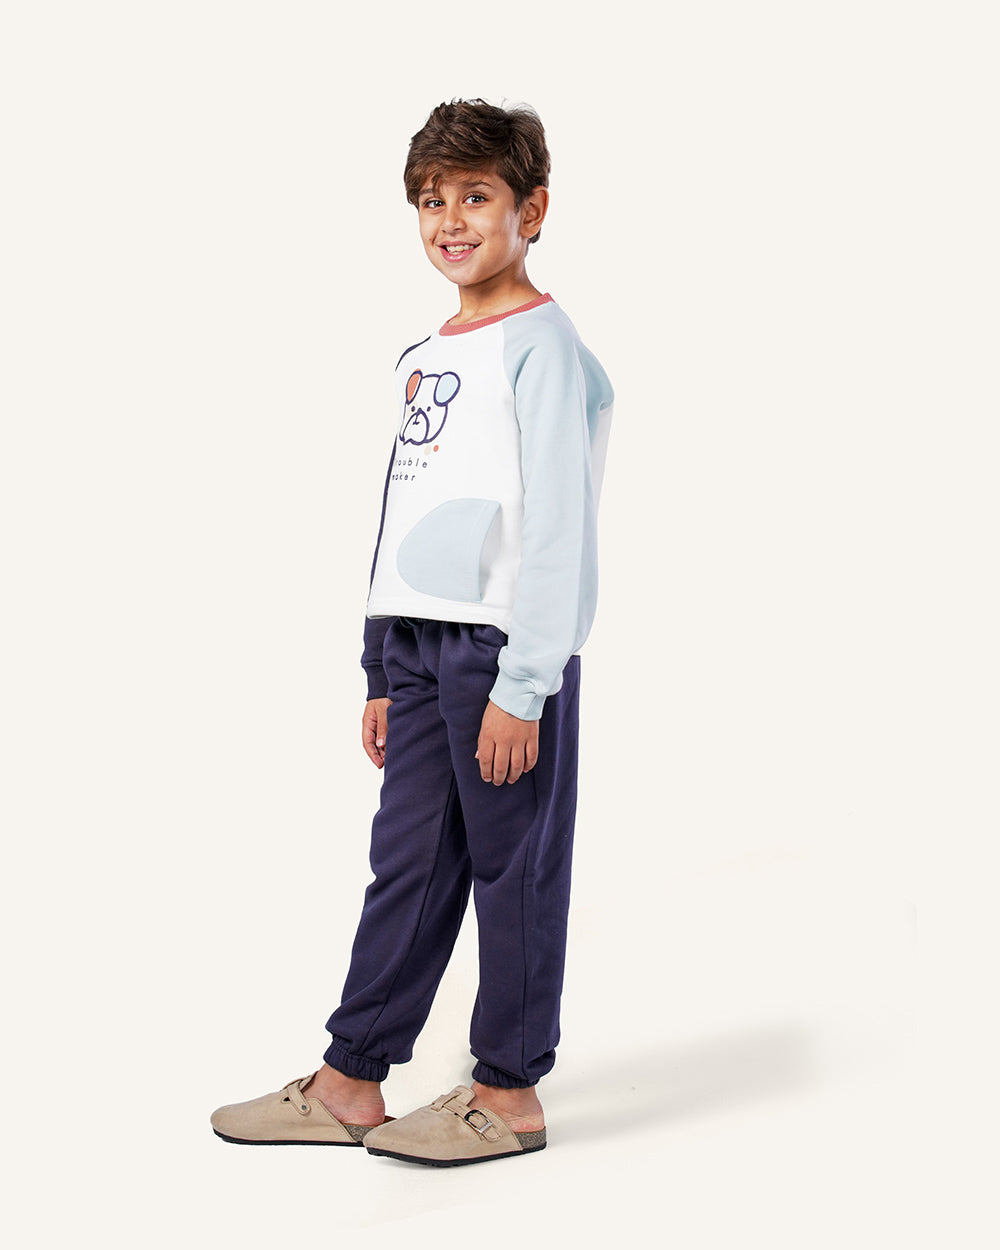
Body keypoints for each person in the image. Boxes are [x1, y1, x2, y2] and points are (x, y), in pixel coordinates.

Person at [211, 97, 614, 1167]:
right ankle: (352, 1079)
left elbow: (560, 525)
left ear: (531, 210)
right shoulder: (425, 352)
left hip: (498, 651)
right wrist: (379, 666)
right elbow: (402, 511)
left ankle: (507, 1093)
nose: (450, 219)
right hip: (420, 647)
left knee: (512, 871)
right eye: (432, 200)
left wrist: (526, 681)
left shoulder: (543, 346)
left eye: (476, 196)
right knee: (407, 865)